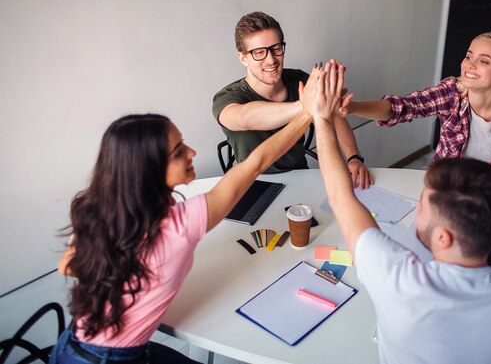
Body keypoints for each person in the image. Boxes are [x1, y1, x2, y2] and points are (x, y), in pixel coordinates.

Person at [50, 65, 328, 364]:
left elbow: (66, 266)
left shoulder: (97, 209)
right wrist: (308, 113)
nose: (192, 152)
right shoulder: (178, 226)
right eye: (178, 151)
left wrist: (127, 282)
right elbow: (255, 163)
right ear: (148, 170)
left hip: (73, 345)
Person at [310, 60, 491, 364]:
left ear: (442, 237)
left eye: (422, 204)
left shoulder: (396, 276)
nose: (417, 205)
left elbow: (340, 196)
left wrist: (321, 118)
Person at [339, 31, 491, 187]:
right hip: (450, 181)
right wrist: (352, 107)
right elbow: (403, 107)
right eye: (469, 57)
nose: (470, 65)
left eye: (484, 61)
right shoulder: (451, 93)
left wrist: (474, 191)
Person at [212, 11, 373, 189]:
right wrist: (306, 106)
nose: (271, 60)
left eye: (276, 49)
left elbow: (336, 115)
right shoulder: (227, 97)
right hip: (254, 185)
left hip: (300, 176)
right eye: (259, 53)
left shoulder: (300, 81)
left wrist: (354, 158)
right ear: (243, 58)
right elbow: (246, 117)